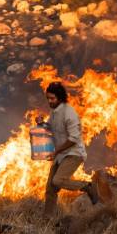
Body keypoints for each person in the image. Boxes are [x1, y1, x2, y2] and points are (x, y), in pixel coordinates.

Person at [41, 81, 102, 217]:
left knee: (58, 180)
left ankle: (87, 186)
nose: (49, 101)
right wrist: (41, 123)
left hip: (74, 153)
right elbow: (50, 128)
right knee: (50, 189)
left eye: (52, 98)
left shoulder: (69, 113)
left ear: (60, 98)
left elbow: (74, 138)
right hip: (61, 155)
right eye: (48, 98)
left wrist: (56, 151)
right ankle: (48, 219)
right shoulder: (54, 112)